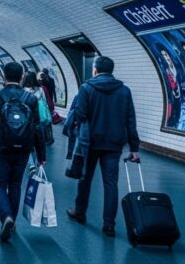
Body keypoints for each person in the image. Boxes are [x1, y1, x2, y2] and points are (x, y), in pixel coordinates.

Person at [66, 56, 140, 237]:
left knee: (85, 178)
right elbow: (130, 120)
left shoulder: (86, 88)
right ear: (111, 70)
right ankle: (109, 225)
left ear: (95, 70)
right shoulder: (124, 91)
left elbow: (81, 115)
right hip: (114, 144)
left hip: (89, 142)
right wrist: (134, 148)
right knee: (111, 184)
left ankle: (80, 212)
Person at [0, 62, 46, 242]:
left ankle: (5, 216)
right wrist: (41, 156)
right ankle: (12, 221)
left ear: (4, 77)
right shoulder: (30, 99)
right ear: (21, 77)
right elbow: (37, 128)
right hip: (23, 149)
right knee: (15, 185)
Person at [22, 71, 51, 175]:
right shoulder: (40, 90)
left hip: (26, 120)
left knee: (27, 144)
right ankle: (34, 162)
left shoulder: (22, 91)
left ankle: (31, 165)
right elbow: (45, 103)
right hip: (39, 118)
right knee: (37, 142)